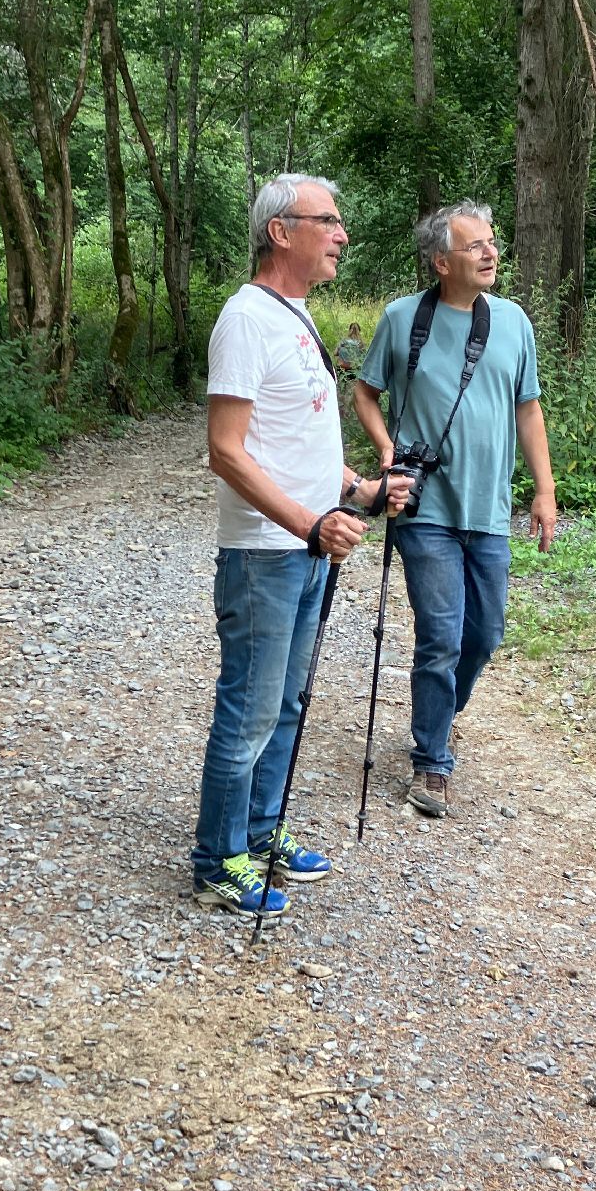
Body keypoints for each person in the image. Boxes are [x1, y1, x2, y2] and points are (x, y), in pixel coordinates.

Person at [192, 174, 412, 916]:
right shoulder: (246, 319)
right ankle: (218, 858)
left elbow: (294, 441)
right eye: (329, 221)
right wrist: (306, 524)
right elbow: (226, 451)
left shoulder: (296, 315)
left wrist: (359, 490)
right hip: (266, 552)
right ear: (281, 232)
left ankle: (260, 832)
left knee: (286, 702)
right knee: (251, 709)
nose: (342, 235)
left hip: (308, 547)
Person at [352, 200, 557, 818]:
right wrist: (386, 449)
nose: (490, 253)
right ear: (442, 262)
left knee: (484, 635)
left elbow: (528, 409)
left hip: (488, 509)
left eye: (492, 242)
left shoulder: (513, 322)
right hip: (424, 508)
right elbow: (365, 393)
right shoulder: (402, 319)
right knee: (440, 636)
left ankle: (440, 713)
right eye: (475, 246)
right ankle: (432, 762)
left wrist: (544, 490)